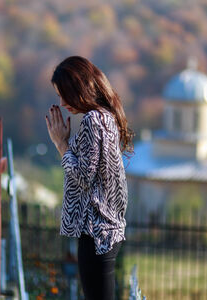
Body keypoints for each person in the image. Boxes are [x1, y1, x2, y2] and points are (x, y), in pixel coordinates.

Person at [45, 56, 134, 300]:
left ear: (80, 89)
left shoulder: (94, 120)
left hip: (97, 233)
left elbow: (84, 177)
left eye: (65, 94)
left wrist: (61, 144)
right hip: (104, 231)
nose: (62, 103)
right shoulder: (105, 117)